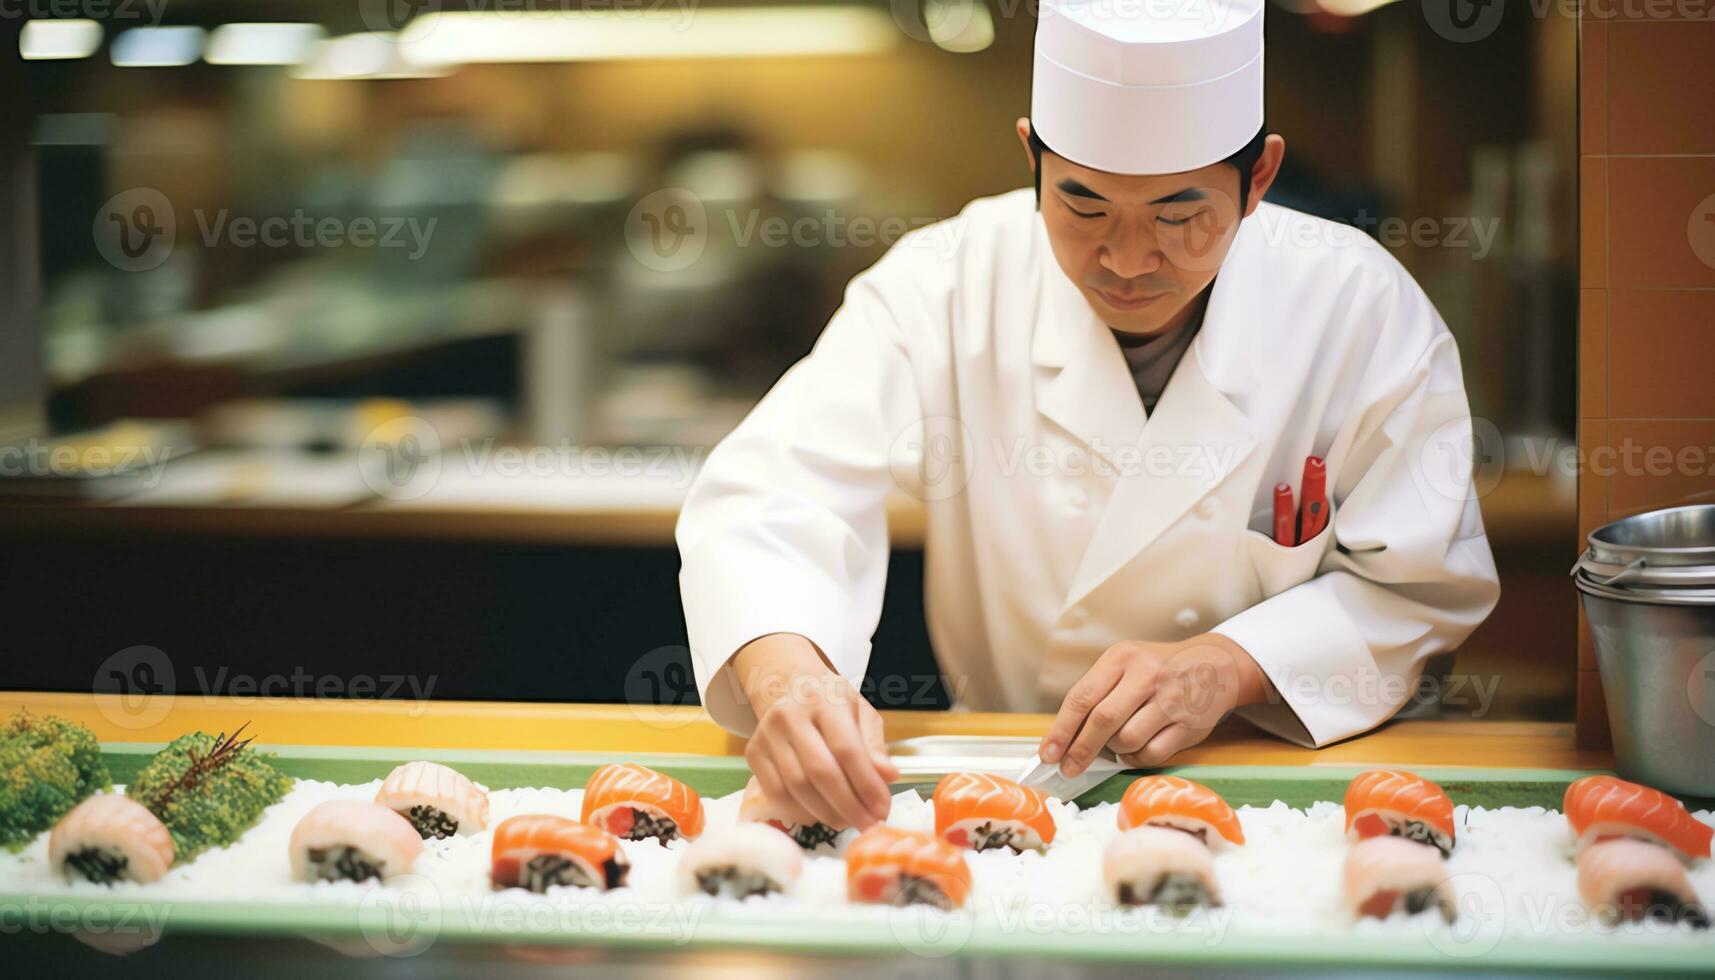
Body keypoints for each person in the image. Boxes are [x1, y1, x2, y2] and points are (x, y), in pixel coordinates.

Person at [675, 0, 1500, 831]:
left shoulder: (1354, 305)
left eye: (1179, 216)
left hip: (1268, 791)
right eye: (1083, 207)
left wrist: (1231, 664)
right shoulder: (949, 280)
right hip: (1006, 786)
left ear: (1257, 178)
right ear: (1031, 154)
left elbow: (1420, 590)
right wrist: (792, 677)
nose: (1127, 261)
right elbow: (773, 492)